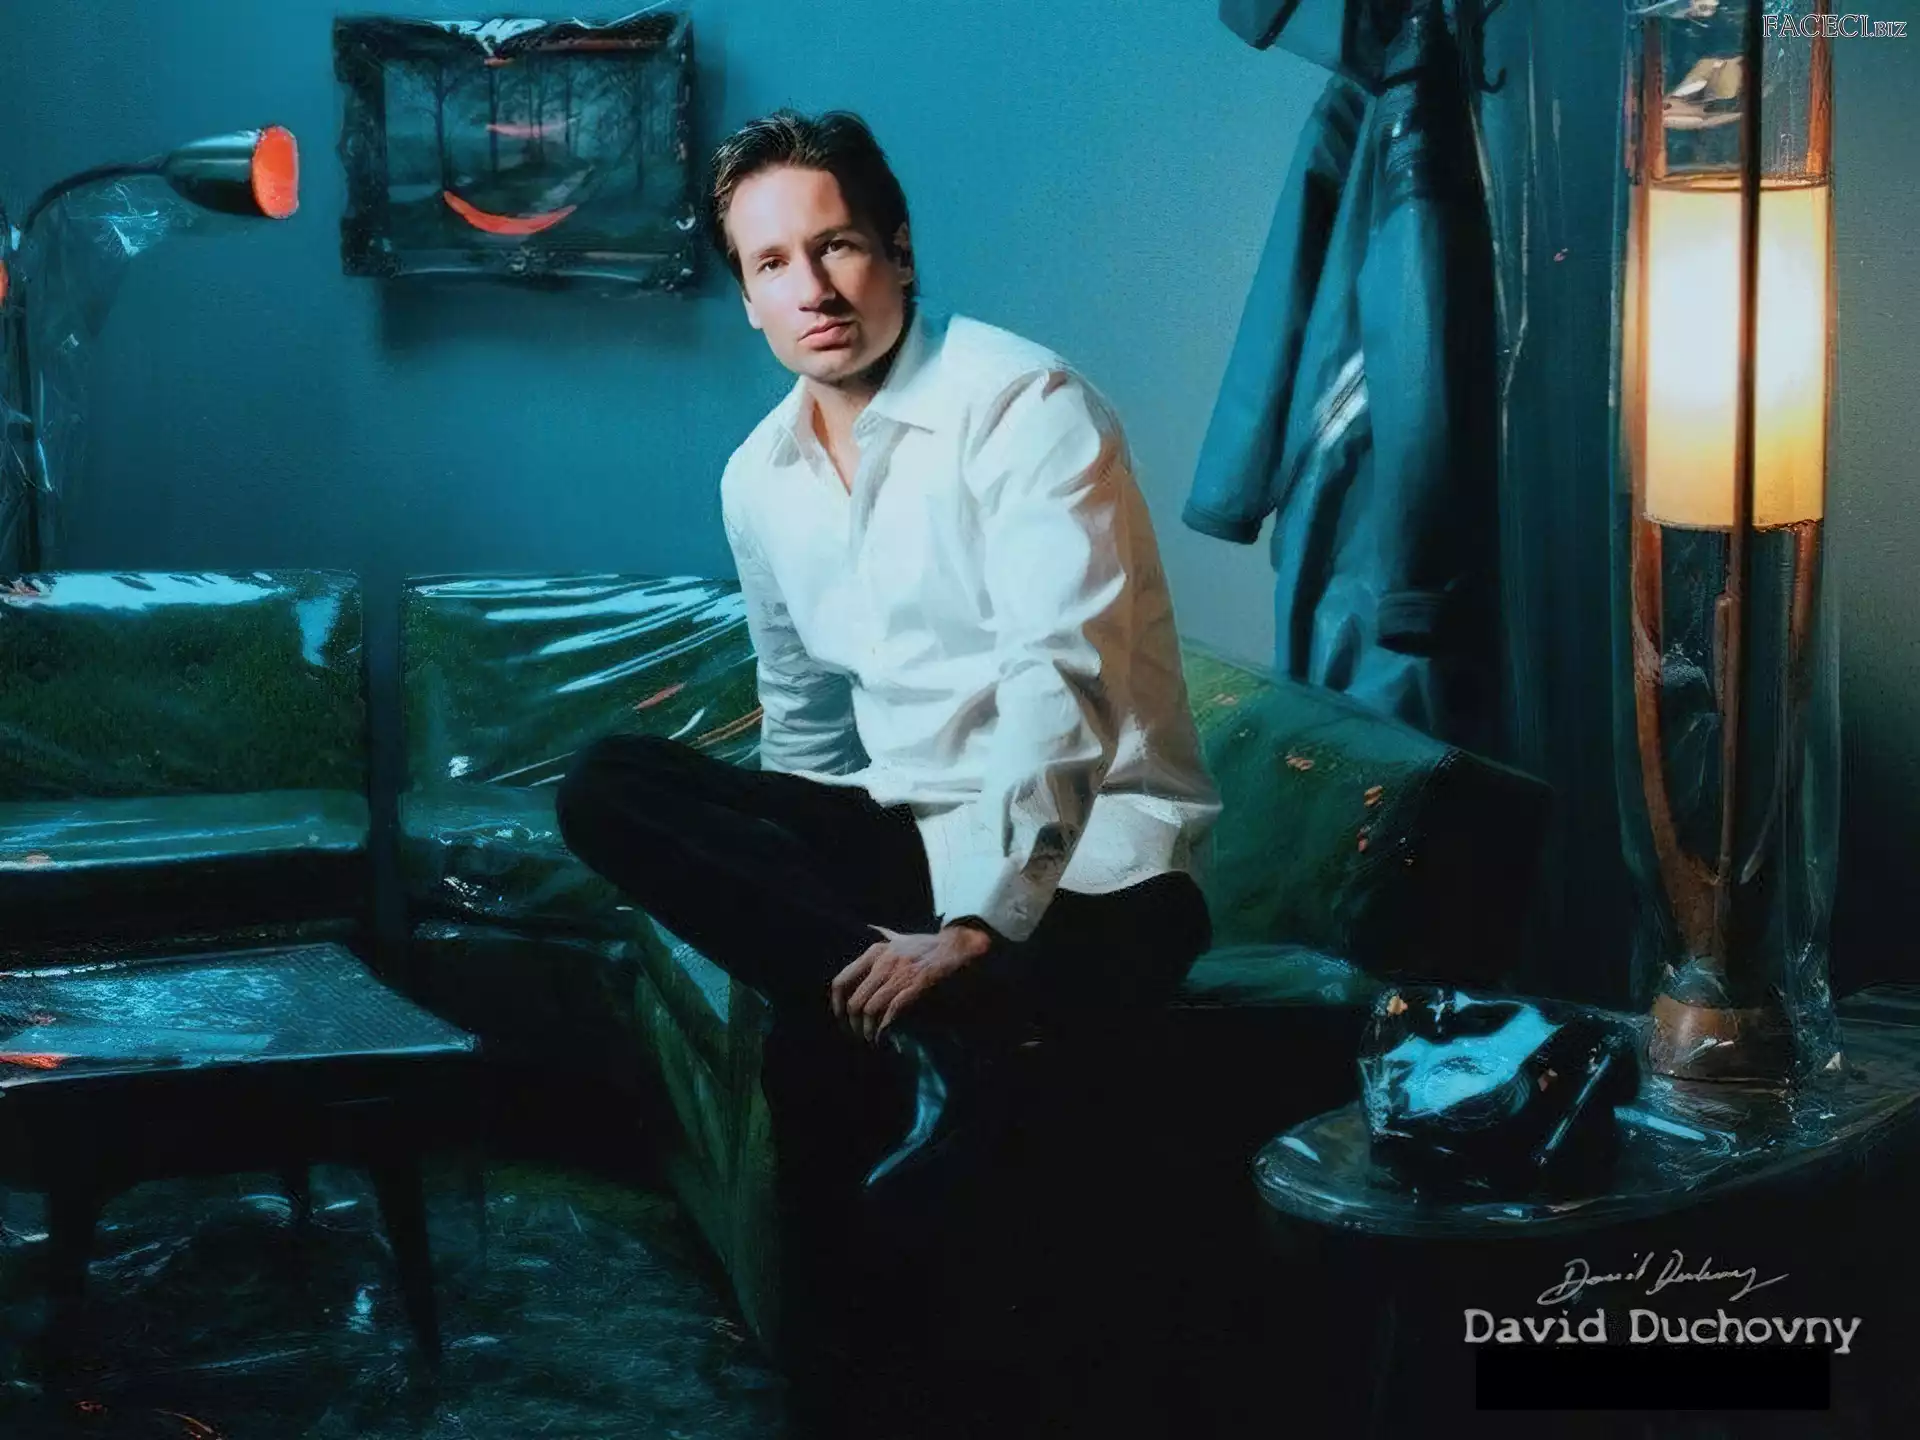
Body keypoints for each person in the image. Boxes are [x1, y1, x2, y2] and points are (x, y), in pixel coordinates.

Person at [553, 107, 1220, 1404]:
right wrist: (806, 893)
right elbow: (802, 728)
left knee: (819, 1055)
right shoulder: (758, 476)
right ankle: (922, 1028)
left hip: (1098, 876)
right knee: (608, 782)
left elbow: (1063, 680)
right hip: (903, 842)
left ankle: (935, 1026)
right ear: (746, 296)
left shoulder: (1025, 404)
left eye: (838, 245)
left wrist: (971, 931)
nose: (812, 288)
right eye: (772, 263)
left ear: (899, 251)